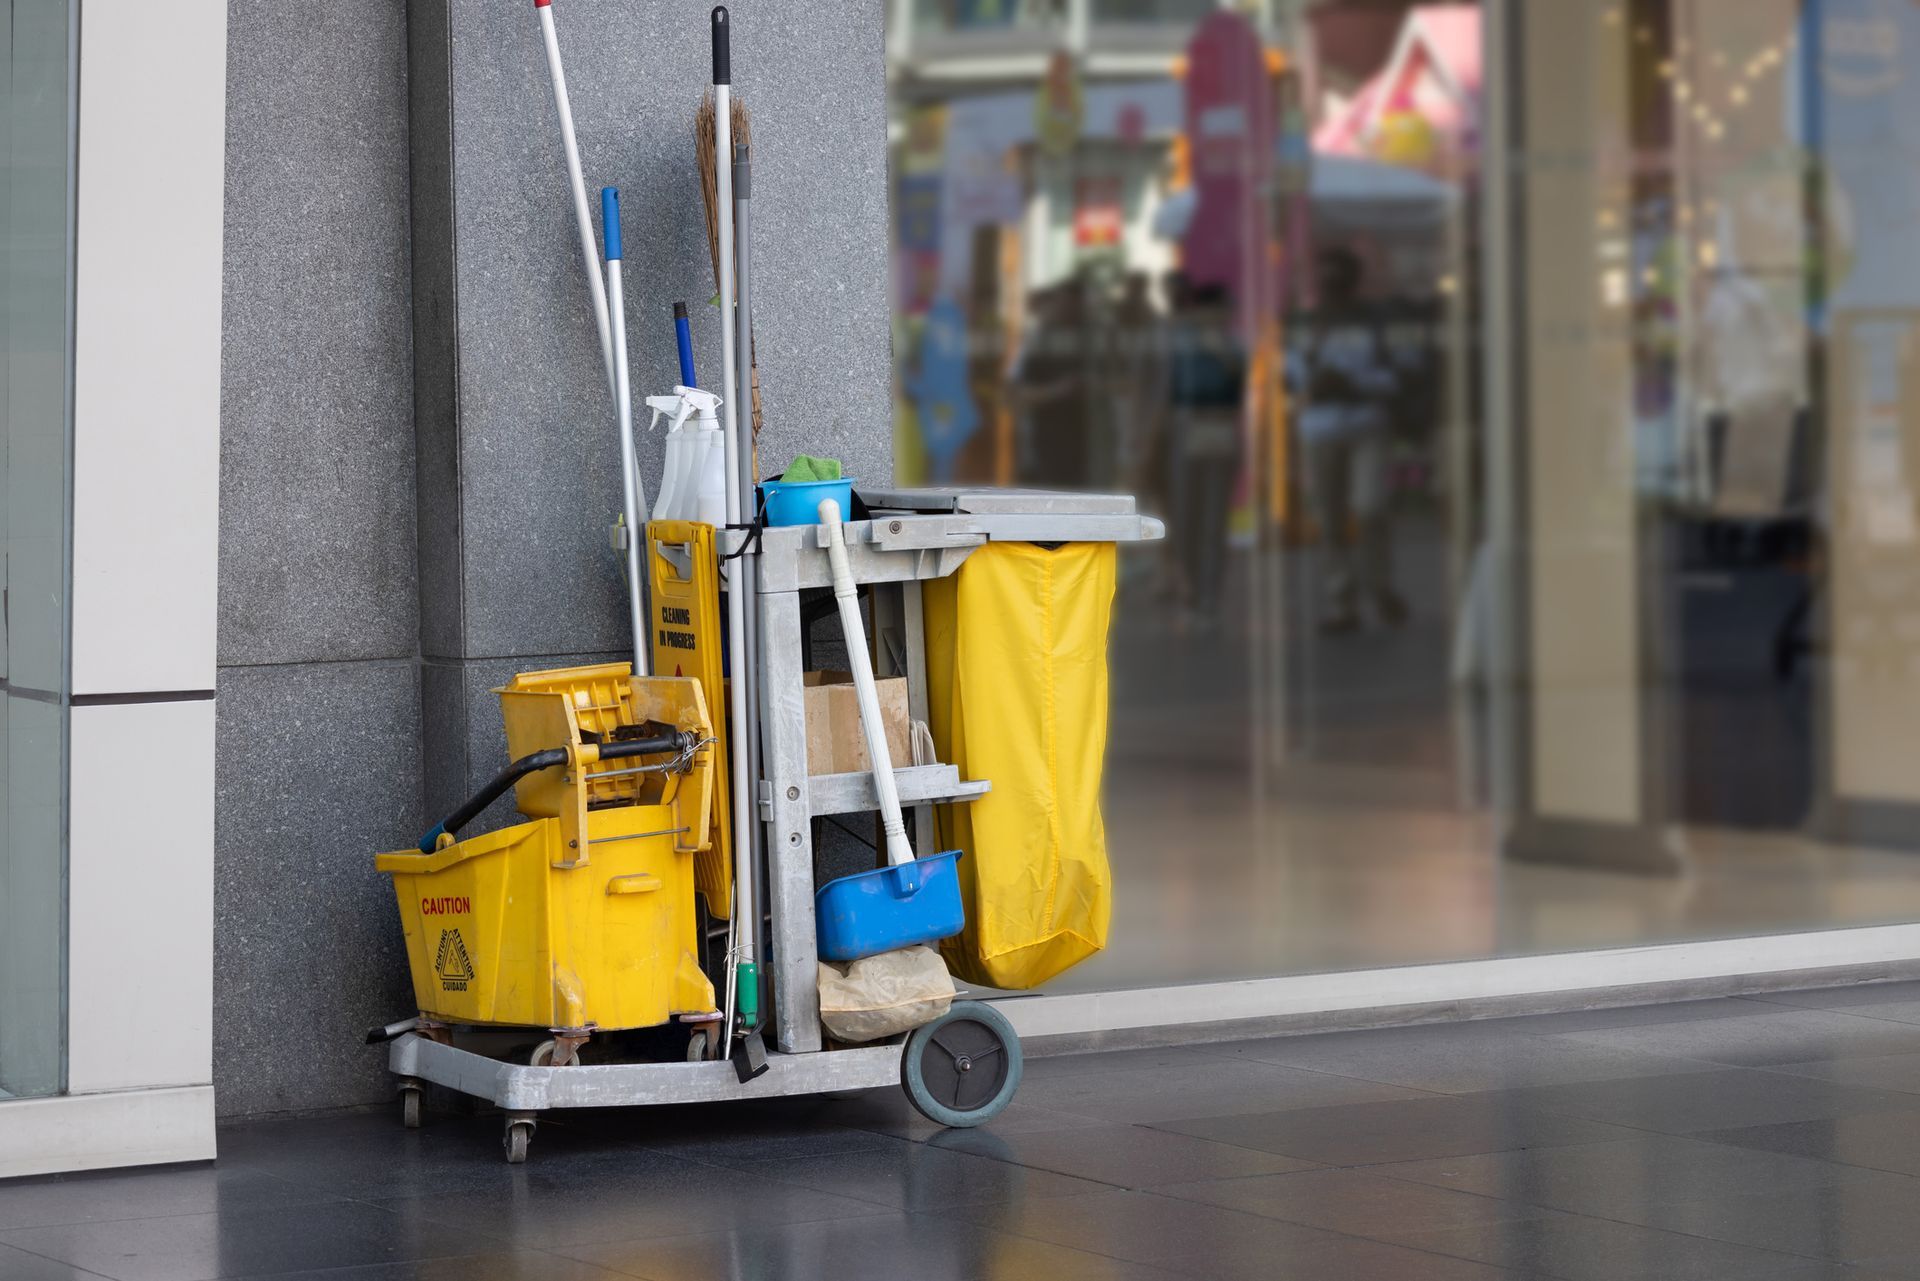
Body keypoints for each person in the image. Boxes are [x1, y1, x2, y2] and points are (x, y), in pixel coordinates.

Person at [1297, 246, 1407, 632]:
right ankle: (1342, 599)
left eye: (1338, 279)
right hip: (1322, 428)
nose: (1332, 288)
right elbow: (1290, 374)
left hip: (1365, 424)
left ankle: (1379, 587)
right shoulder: (1309, 324)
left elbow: (1398, 375)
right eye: (1326, 279)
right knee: (1329, 518)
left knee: (1370, 507)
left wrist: (1355, 385)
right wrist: (1312, 380)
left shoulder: (1374, 323)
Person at [1165, 277, 1246, 628]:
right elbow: (1169, 389)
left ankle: (1209, 598)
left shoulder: (1232, 344)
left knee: (1213, 518)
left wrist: (1219, 348)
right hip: (1186, 428)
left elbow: (1238, 382)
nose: (1225, 316)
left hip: (1220, 428)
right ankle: (1192, 587)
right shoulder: (1179, 342)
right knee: (1185, 516)